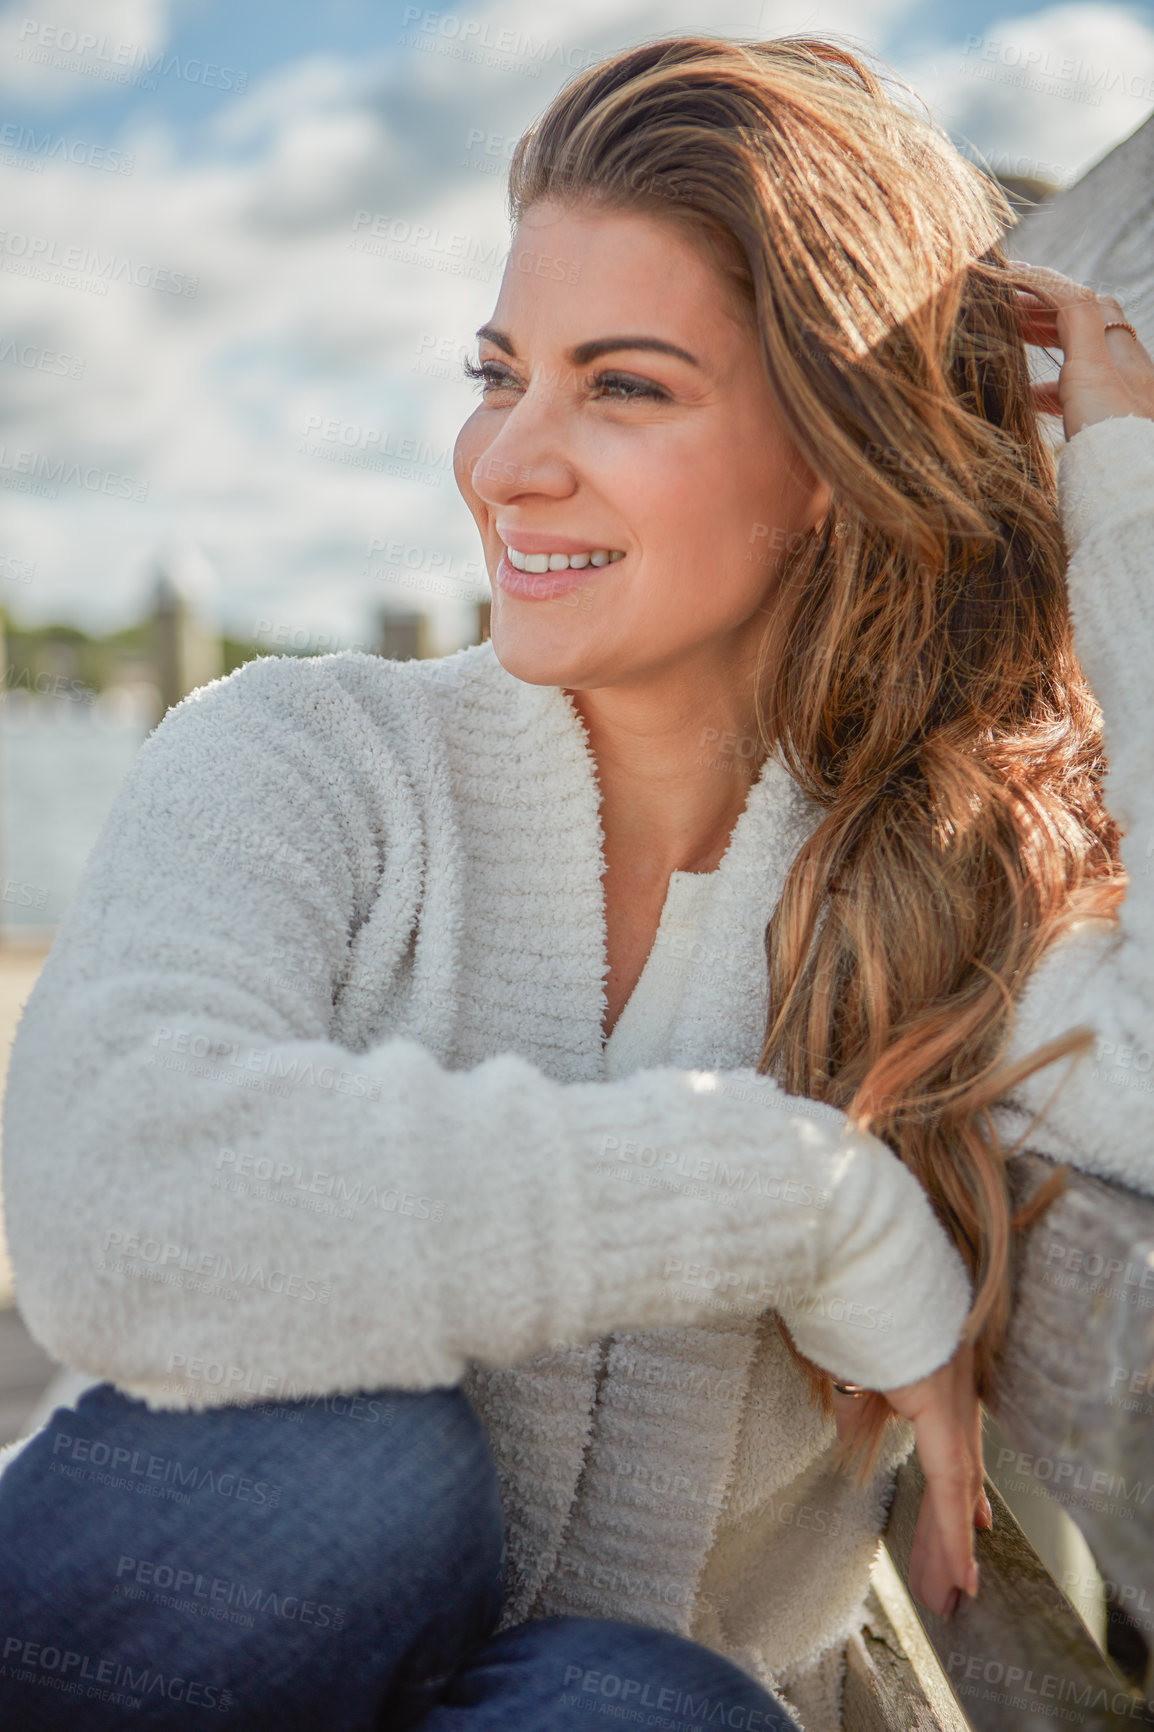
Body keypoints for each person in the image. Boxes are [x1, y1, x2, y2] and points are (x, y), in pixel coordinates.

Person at [1, 31, 1153, 1732]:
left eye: (622, 386)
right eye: (498, 373)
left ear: (836, 466)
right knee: (365, 1471)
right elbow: (111, 1213)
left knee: (639, 1701)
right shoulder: (304, 756)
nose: (503, 463)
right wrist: (797, 1195)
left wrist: (1117, 498)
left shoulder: (937, 904)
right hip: (191, 1648)